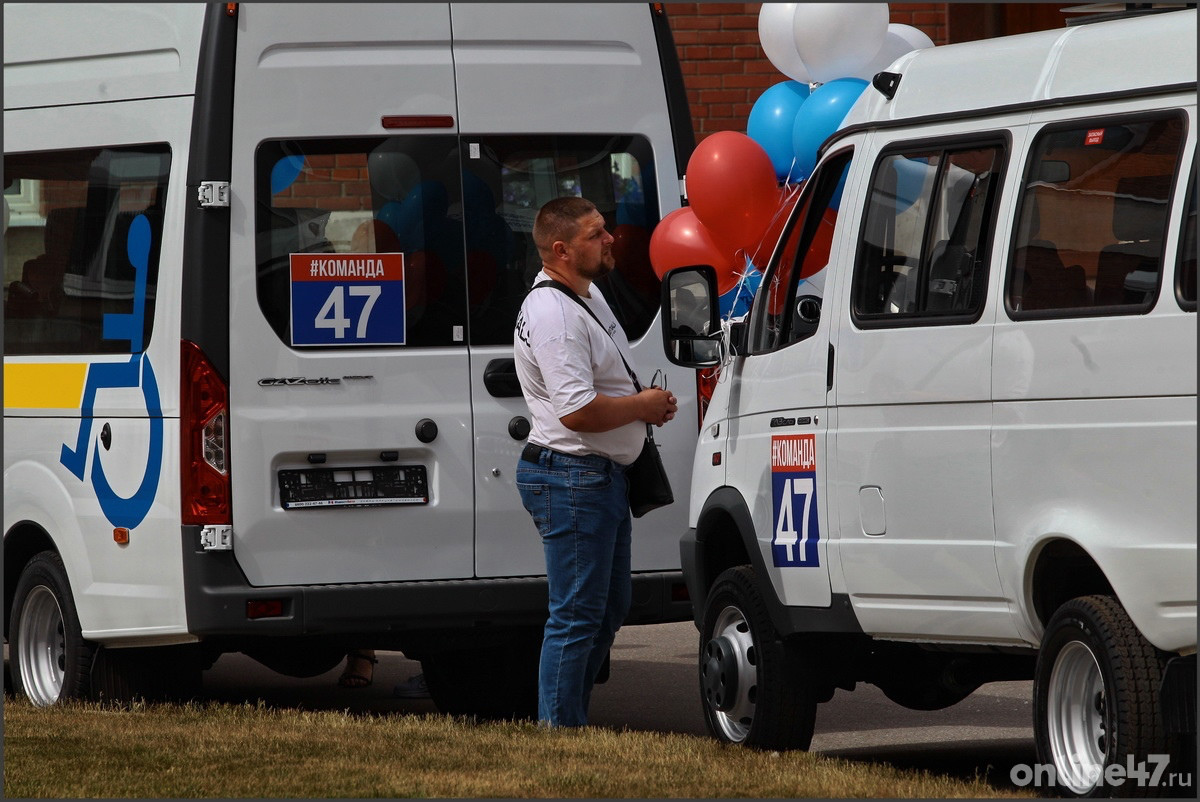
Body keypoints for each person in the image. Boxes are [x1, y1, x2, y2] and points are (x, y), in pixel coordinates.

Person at [513, 196, 678, 727]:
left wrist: (641, 407)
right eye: (595, 234)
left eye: (605, 229)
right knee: (577, 615)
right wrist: (643, 407)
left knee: (605, 609)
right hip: (573, 476)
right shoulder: (554, 314)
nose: (611, 239)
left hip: (595, 477)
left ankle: (568, 722)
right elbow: (577, 412)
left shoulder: (584, 294)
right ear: (560, 250)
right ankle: (559, 734)